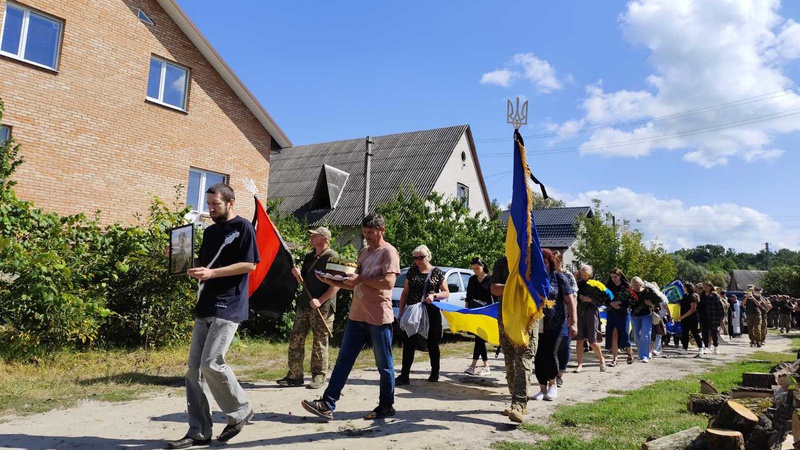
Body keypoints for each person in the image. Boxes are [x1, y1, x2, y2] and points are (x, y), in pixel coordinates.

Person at [167, 183, 259, 450]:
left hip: (228, 306)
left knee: (212, 362)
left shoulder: (244, 227)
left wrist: (213, 274)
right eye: (209, 205)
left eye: (215, 205)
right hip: (205, 305)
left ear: (231, 203)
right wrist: (181, 260)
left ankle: (241, 411)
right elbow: (204, 266)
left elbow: (250, 264)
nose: (211, 209)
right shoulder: (209, 232)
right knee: (194, 371)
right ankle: (198, 431)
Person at [302, 214, 400, 421]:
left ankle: (386, 406)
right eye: (364, 233)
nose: (367, 237)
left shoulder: (389, 252)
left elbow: (388, 283)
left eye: (371, 233)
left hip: (379, 318)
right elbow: (355, 283)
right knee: (343, 362)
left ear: (382, 230)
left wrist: (361, 278)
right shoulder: (363, 252)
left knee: (384, 366)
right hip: (357, 315)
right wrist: (330, 280)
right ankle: (327, 404)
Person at [276, 227, 339, 389]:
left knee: (319, 342)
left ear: (325, 239)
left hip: (322, 307)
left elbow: (337, 284)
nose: (311, 237)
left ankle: (319, 376)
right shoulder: (309, 256)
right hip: (305, 303)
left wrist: (321, 300)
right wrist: (297, 275)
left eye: (315, 235)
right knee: (296, 339)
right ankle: (295, 375)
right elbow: (303, 281)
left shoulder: (332, 258)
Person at [396, 245, 450, 384]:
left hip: (431, 311)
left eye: (421, 257)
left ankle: (435, 372)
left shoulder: (436, 272)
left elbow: (446, 292)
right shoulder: (412, 271)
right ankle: (404, 375)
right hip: (413, 311)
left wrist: (434, 296)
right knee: (409, 342)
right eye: (416, 258)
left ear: (428, 257)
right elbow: (405, 293)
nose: (418, 260)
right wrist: (401, 312)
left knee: (432, 342)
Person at [491, 255, 536, 423]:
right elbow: (494, 288)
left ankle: (518, 403)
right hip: (507, 317)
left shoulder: (534, 261)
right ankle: (515, 401)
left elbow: (542, 288)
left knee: (524, 357)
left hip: (527, 317)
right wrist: (513, 287)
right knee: (510, 359)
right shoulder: (502, 262)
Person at [531, 249, 577, 402]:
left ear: (550, 262)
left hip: (556, 322)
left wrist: (574, 322)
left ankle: (553, 385)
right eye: (539, 262)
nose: (542, 265)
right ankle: (542, 388)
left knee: (550, 353)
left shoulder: (559, 277)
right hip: (536, 322)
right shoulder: (532, 278)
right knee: (538, 355)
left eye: (545, 261)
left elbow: (570, 301)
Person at [464, 256, 493, 377]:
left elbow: (493, 298)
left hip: (486, 312)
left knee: (480, 339)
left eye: (477, 268)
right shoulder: (472, 280)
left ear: (483, 267)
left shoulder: (490, 280)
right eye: (473, 268)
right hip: (474, 311)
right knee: (479, 338)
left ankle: (475, 365)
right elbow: (468, 296)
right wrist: (466, 310)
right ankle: (483, 365)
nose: (475, 270)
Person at [574, 264, 606, 373]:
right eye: (582, 274)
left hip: (591, 312)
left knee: (592, 340)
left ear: (590, 274)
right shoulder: (577, 284)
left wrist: (590, 300)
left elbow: (601, 301)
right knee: (579, 340)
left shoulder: (596, 285)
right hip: (579, 312)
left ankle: (601, 360)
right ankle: (579, 364)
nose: (583, 276)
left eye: (585, 274)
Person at [629, 277, 663, 363]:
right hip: (634, 315)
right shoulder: (630, 292)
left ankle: (644, 356)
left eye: (637, 284)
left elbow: (658, 303)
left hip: (646, 315)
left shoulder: (648, 291)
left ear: (641, 284)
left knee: (646, 334)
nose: (636, 286)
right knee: (636, 336)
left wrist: (650, 304)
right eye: (634, 285)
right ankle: (641, 353)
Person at [605, 268, 634, 366]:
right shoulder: (608, 287)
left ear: (620, 276)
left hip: (623, 313)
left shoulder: (627, 287)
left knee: (624, 334)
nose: (613, 279)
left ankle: (629, 352)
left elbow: (632, 301)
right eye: (612, 277)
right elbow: (604, 299)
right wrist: (611, 304)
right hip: (612, 313)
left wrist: (621, 303)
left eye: (615, 277)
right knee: (613, 334)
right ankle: (615, 358)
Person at [677, 283, 704, 356]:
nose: (683, 288)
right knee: (684, 333)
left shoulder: (692, 296)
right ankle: (685, 348)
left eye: (684, 287)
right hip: (685, 318)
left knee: (694, 332)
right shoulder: (685, 296)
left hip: (692, 317)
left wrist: (684, 316)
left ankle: (701, 348)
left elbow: (693, 308)